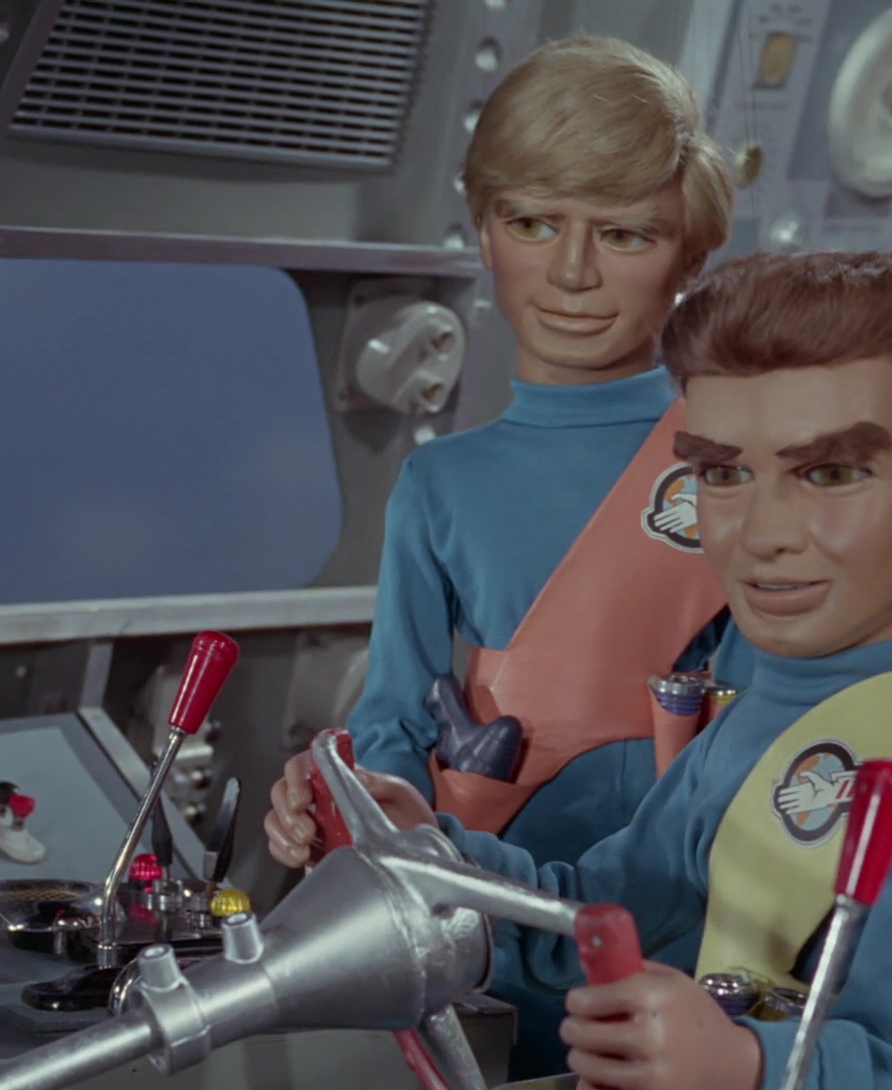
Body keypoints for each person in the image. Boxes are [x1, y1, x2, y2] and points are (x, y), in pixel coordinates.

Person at [271, 251, 892, 1090]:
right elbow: (599, 913)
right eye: (724, 474)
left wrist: (741, 1062)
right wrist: (427, 847)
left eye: (830, 473)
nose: (762, 533)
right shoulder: (768, 708)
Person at [265, 35, 752, 1080]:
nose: (572, 273)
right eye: (535, 223)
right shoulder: (439, 483)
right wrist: (340, 800)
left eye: (623, 233)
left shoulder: (742, 461)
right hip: (475, 934)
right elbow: (392, 721)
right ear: (486, 232)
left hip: (683, 948)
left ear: (690, 255)